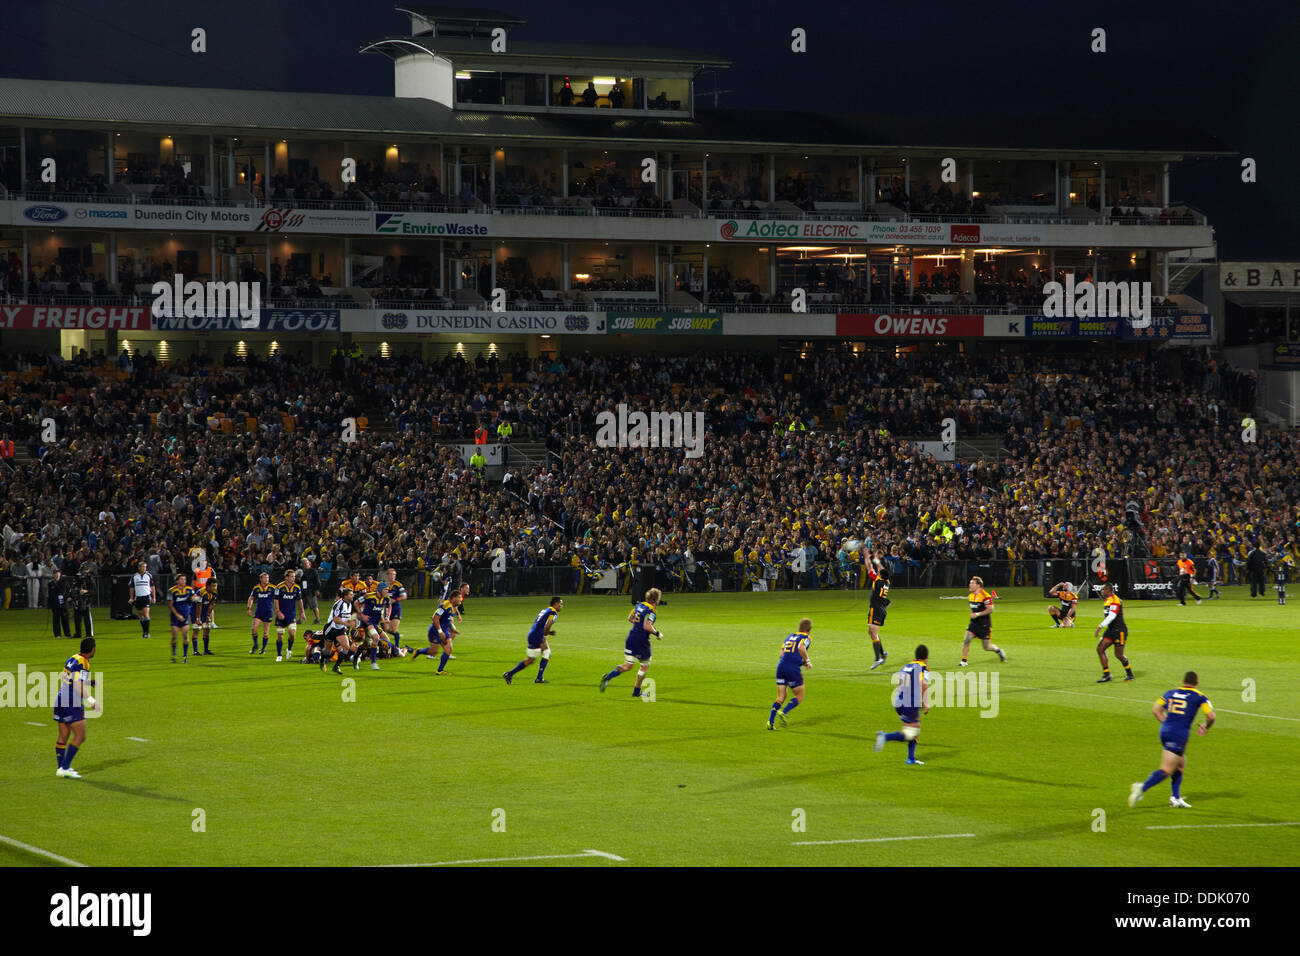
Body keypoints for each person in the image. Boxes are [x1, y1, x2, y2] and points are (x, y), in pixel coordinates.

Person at [1128, 671, 1214, 808]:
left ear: (1183, 681)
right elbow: (1211, 716)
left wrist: (1167, 725)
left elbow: (1156, 710)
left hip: (1165, 730)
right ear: (1196, 683)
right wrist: (1206, 727)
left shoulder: (1170, 693)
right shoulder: (1200, 697)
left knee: (1180, 762)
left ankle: (1175, 797)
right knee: (1167, 769)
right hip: (1178, 734)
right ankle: (1142, 788)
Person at [600, 587, 663, 698]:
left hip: (631, 637)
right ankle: (636, 691)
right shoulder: (652, 610)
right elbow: (648, 626)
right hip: (641, 640)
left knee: (628, 665)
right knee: (645, 665)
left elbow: (630, 618)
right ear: (656, 599)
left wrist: (638, 626)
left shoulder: (638, 605)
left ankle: (608, 677)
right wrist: (657, 633)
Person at [874, 644, 930, 765]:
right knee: (911, 733)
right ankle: (885, 737)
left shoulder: (906, 666)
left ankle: (911, 758)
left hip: (899, 701)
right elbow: (923, 685)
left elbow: (899, 684)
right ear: (927, 656)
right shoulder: (924, 668)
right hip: (909, 703)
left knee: (914, 729)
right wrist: (926, 703)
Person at [54, 637, 99, 779]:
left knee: (63, 736)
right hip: (72, 702)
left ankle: (61, 768)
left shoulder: (72, 658)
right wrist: (91, 701)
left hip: (61, 699)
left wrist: (89, 681)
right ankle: (66, 768)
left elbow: (71, 678)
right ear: (92, 649)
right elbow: (77, 685)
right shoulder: (84, 663)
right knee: (80, 736)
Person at [503, 596, 562, 684]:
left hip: (533, 633)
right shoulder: (554, 613)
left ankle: (539, 677)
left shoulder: (545, 610)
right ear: (556, 604)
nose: (561, 606)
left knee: (546, 653)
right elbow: (547, 626)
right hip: (537, 635)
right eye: (561, 604)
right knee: (531, 659)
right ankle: (509, 674)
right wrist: (547, 634)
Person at [767, 617, 812, 729]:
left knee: (781, 697)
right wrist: (807, 661)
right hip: (792, 668)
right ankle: (784, 712)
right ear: (809, 629)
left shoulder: (789, 637)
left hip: (781, 666)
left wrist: (800, 662)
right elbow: (801, 648)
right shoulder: (806, 637)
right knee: (799, 696)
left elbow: (782, 654)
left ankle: (770, 722)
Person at [413, 588, 462, 674]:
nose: (460, 599)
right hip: (435, 630)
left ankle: (440, 670)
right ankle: (418, 651)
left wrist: (453, 630)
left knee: (449, 649)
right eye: (458, 597)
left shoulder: (453, 608)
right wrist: (440, 632)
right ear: (453, 598)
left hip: (444, 630)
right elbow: (435, 618)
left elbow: (447, 620)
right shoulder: (445, 605)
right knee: (434, 651)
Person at [960, 576, 1006, 666]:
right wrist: (974, 615)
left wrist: (977, 614)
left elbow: (990, 609)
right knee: (966, 639)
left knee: (986, 647)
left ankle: (999, 650)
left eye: (972, 583)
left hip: (984, 624)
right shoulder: (970, 596)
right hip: (973, 623)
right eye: (970, 583)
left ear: (978, 585)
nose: (970, 585)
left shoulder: (985, 596)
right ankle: (963, 661)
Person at [1093, 582, 1134, 683]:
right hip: (1111, 630)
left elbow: (1112, 616)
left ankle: (1130, 674)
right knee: (1100, 649)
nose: (1102, 591)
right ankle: (1106, 675)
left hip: (1119, 630)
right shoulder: (1107, 600)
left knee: (1119, 655)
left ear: (1108, 590)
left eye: (1103, 589)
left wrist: (1100, 626)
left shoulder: (1115, 600)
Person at [319, 587, 359, 674]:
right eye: (351, 594)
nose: (352, 596)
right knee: (328, 651)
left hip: (340, 629)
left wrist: (352, 623)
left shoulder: (349, 604)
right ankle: (322, 660)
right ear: (345, 596)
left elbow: (345, 618)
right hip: (331, 629)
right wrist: (347, 624)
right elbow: (335, 619)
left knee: (347, 648)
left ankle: (336, 666)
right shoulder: (340, 604)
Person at [866, 554, 890, 670]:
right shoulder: (887, 582)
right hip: (881, 609)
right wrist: (876, 558)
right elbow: (880, 567)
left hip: (876, 609)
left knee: (873, 633)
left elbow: (870, 567)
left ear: (880, 575)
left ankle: (877, 659)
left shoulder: (877, 580)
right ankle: (883, 653)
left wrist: (867, 557)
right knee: (871, 632)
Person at [274, 568, 305, 662]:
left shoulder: (297, 587)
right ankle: (279, 655)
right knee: (280, 635)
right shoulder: (279, 587)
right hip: (281, 615)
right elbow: (276, 599)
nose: (294, 578)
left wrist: (302, 611)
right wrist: (278, 611)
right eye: (292, 576)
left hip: (291, 615)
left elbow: (299, 600)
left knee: (292, 634)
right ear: (286, 577)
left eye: (294, 576)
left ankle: (289, 649)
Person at [167, 572, 198, 663]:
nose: (184, 581)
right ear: (177, 581)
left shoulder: (189, 589)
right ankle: (174, 655)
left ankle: (185, 656)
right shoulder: (172, 590)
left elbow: (195, 596)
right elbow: (170, 605)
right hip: (175, 617)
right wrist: (177, 615)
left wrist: (195, 598)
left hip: (185, 616)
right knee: (174, 637)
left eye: (184, 579)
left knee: (185, 636)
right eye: (181, 579)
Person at [247, 571, 277, 655]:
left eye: (267, 578)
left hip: (268, 611)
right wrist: (249, 608)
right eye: (265, 578)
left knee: (265, 632)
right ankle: (255, 644)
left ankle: (263, 649)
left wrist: (277, 609)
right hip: (259, 611)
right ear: (260, 579)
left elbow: (277, 598)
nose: (266, 579)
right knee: (253, 628)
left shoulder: (273, 587)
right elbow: (251, 598)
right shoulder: (256, 588)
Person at [131, 560, 157, 639]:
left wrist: (154, 597)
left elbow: (152, 587)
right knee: (141, 615)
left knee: (146, 614)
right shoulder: (134, 576)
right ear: (139, 567)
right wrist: (131, 597)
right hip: (138, 597)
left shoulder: (149, 575)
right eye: (142, 567)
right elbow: (131, 587)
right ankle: (144, 631)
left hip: (146, 596)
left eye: (145, 567)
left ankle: (147, 632)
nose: (144, 568)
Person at [47, 568, 72, 638]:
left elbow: (69, 590)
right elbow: (50, 595)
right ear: (53, 574)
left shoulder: (64, 581)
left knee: (65, 619)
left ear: (60, 574)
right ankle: (57, 634)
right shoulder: (51, 584)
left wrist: (69, 597)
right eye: (55, 573)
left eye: (58, 573)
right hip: (55, 604)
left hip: (64, 602)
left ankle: (67, 633)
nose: (57, 574)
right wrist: (50, 604)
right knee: (56, 620)